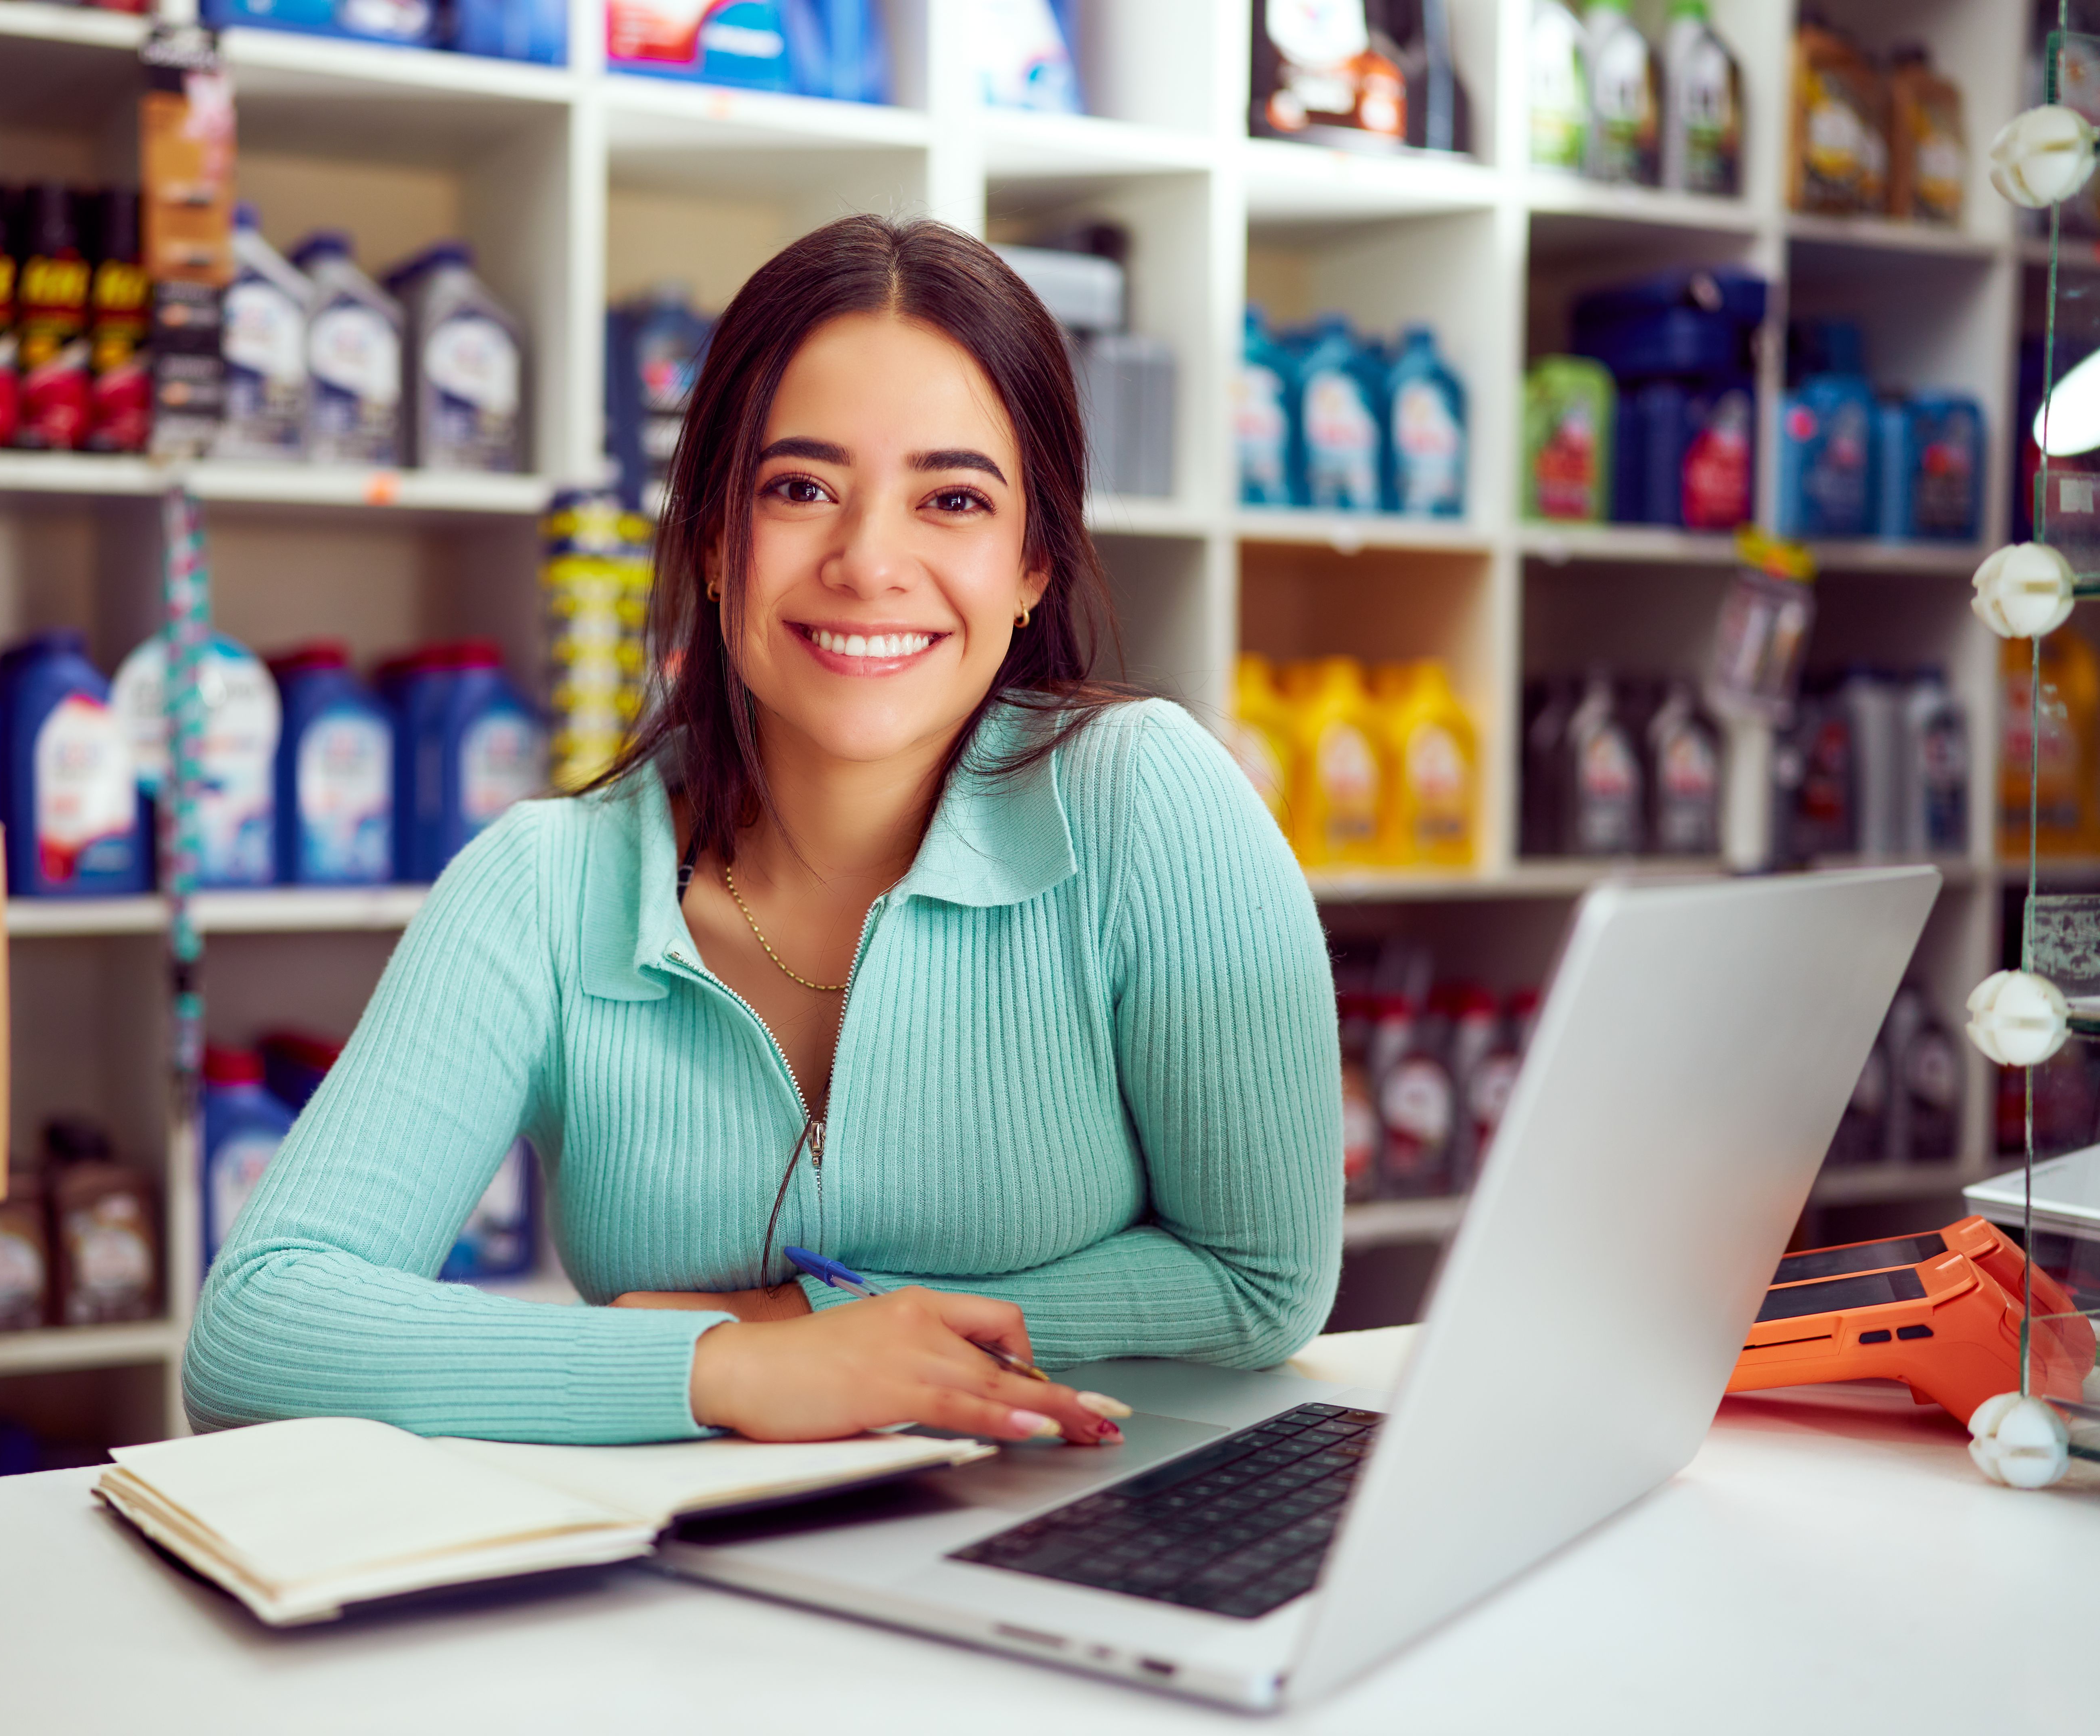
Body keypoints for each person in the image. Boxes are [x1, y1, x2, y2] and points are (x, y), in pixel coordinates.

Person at [185, 215, 1341, 1448]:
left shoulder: (1145, 805)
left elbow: (1262, 1280)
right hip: (687, 1605)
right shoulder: (544, 887)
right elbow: (257, 1331)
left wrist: (813, 1318)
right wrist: (726, 1369)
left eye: (953, 499)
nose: (868, 562)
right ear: (717, 541)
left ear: (1032, 566)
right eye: (801, 489)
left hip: (1078, 1552)